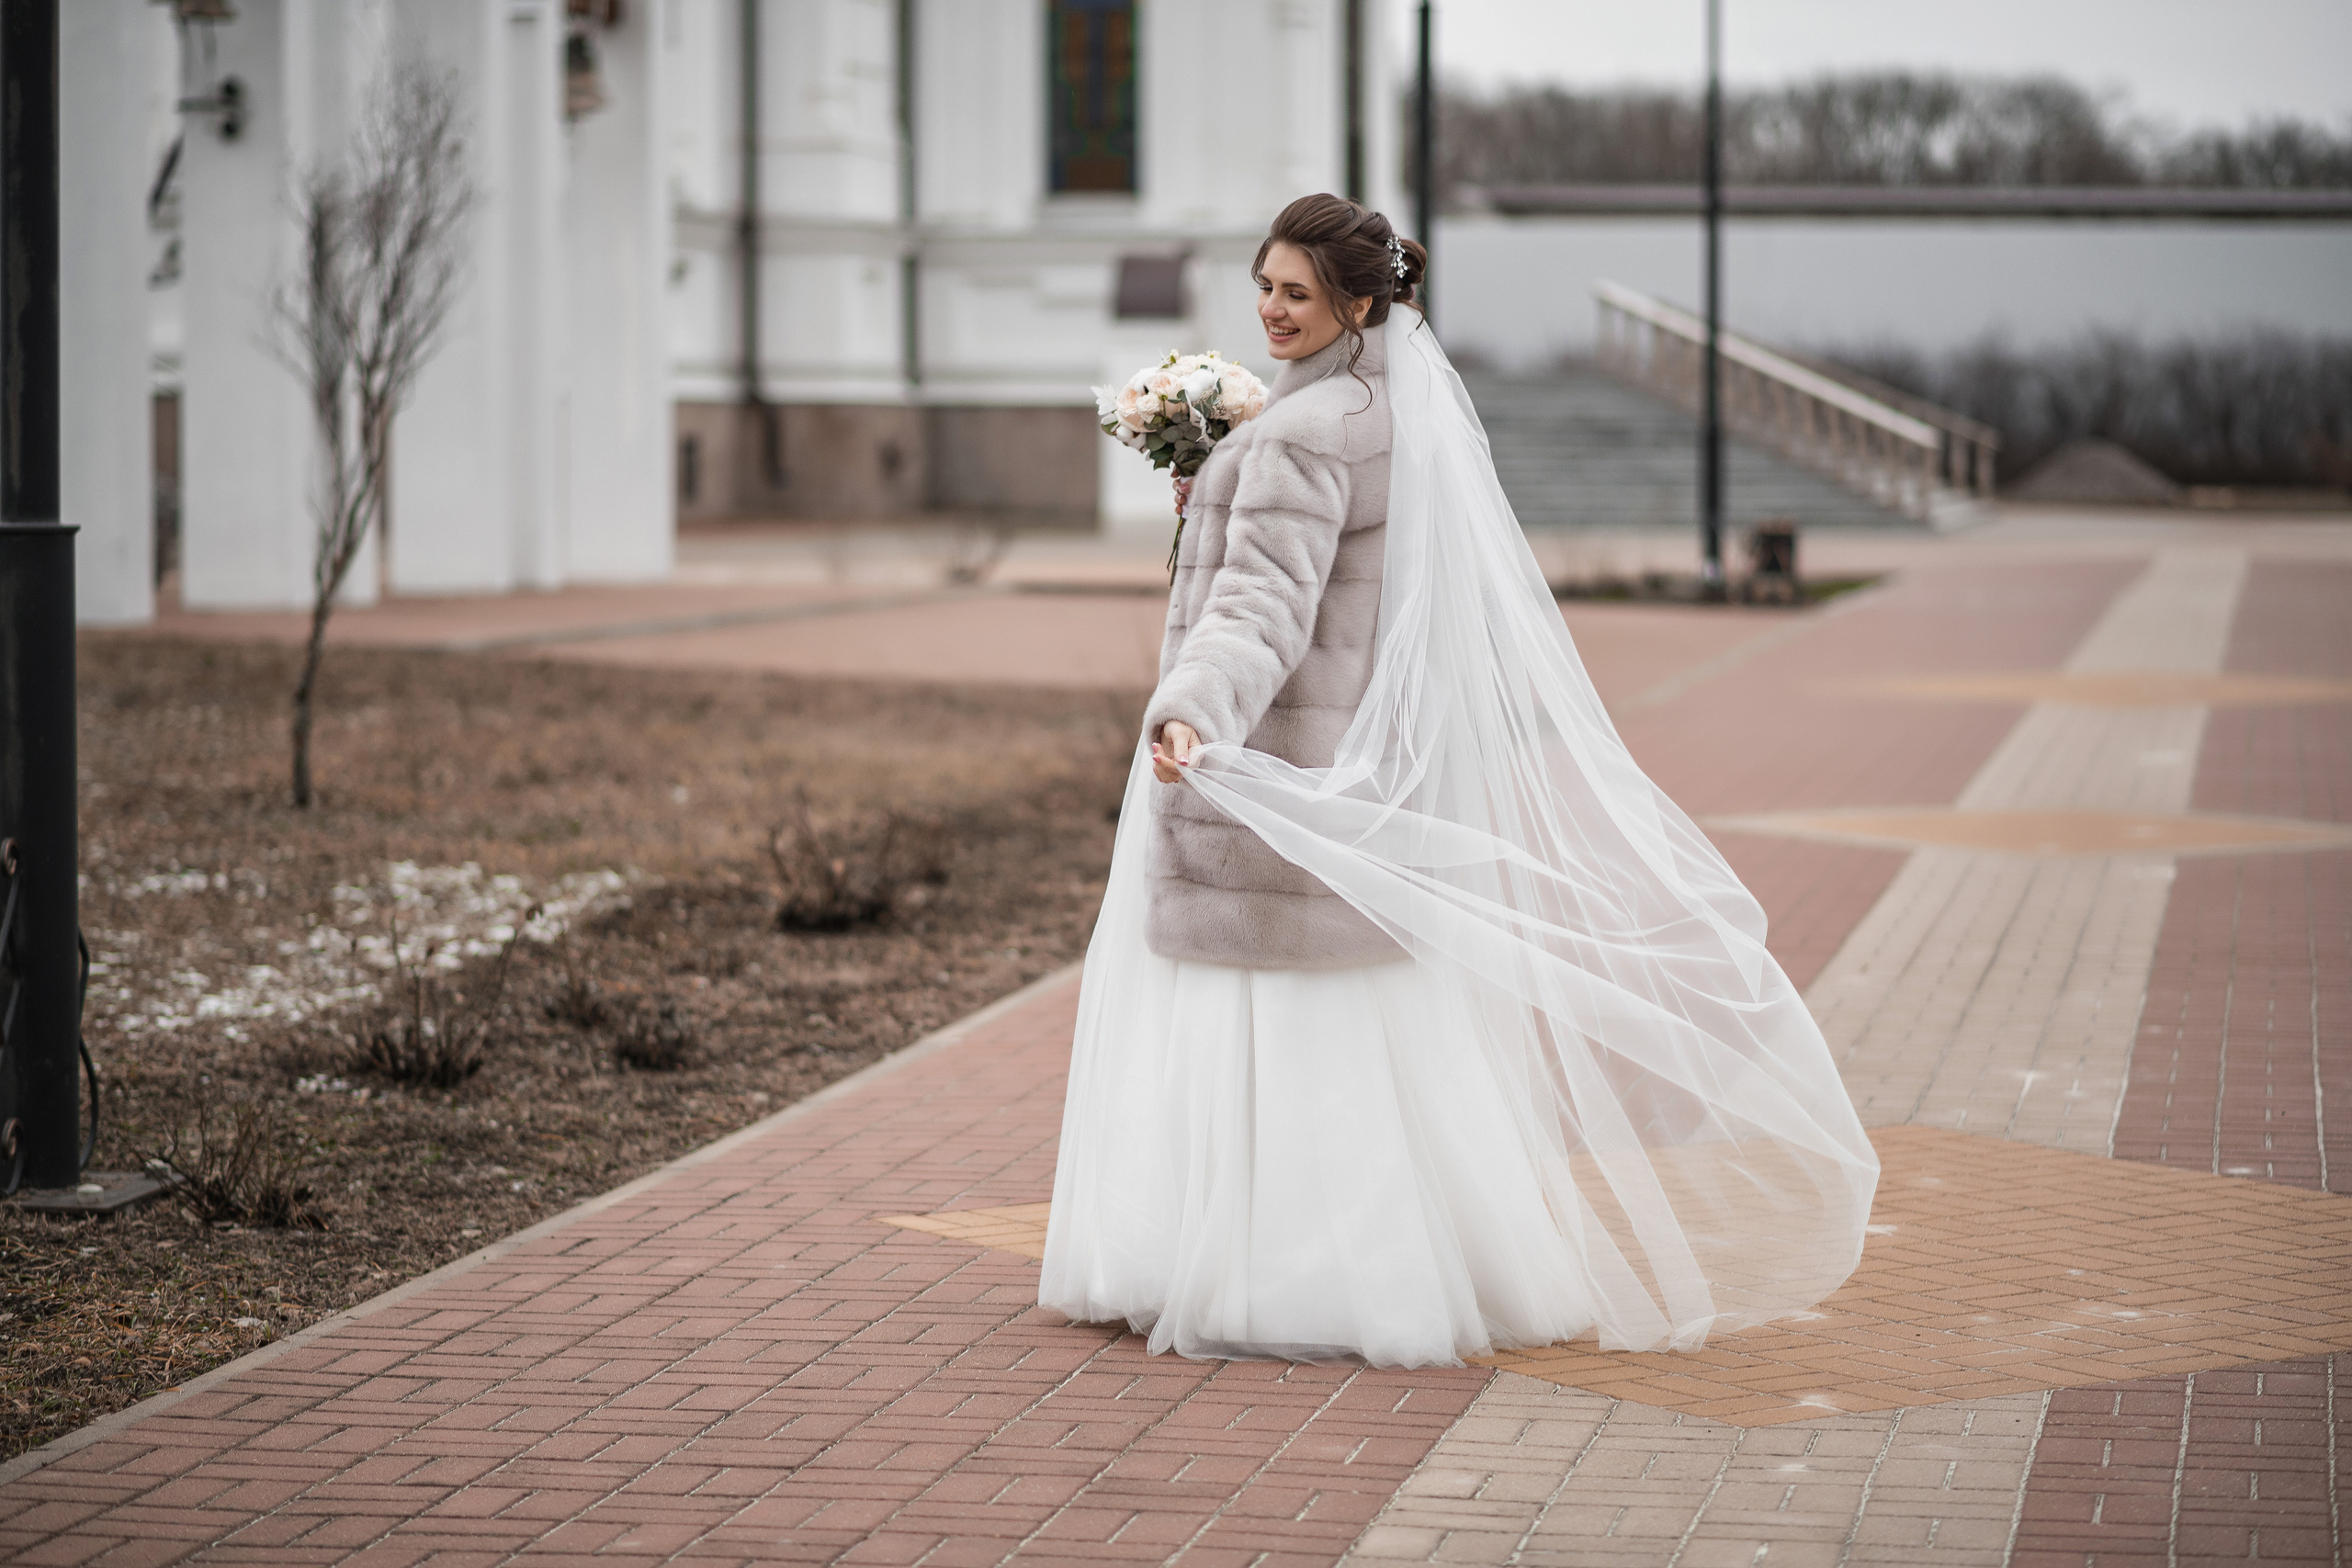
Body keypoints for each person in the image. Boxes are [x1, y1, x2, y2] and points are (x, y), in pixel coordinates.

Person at [1039, 193, 1878, 1369]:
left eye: (1296, 293)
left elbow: (1261, 610)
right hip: (1362, 779)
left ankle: (1268, 1276)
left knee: (1263, 1034)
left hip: (1271, 771)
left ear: (1360, 303)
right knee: (1362, 1046)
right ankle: (1405, 1273)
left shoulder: (1293, 438)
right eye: (1265, 288)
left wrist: (1189, 710)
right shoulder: (1387, 419)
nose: (1272, 311)